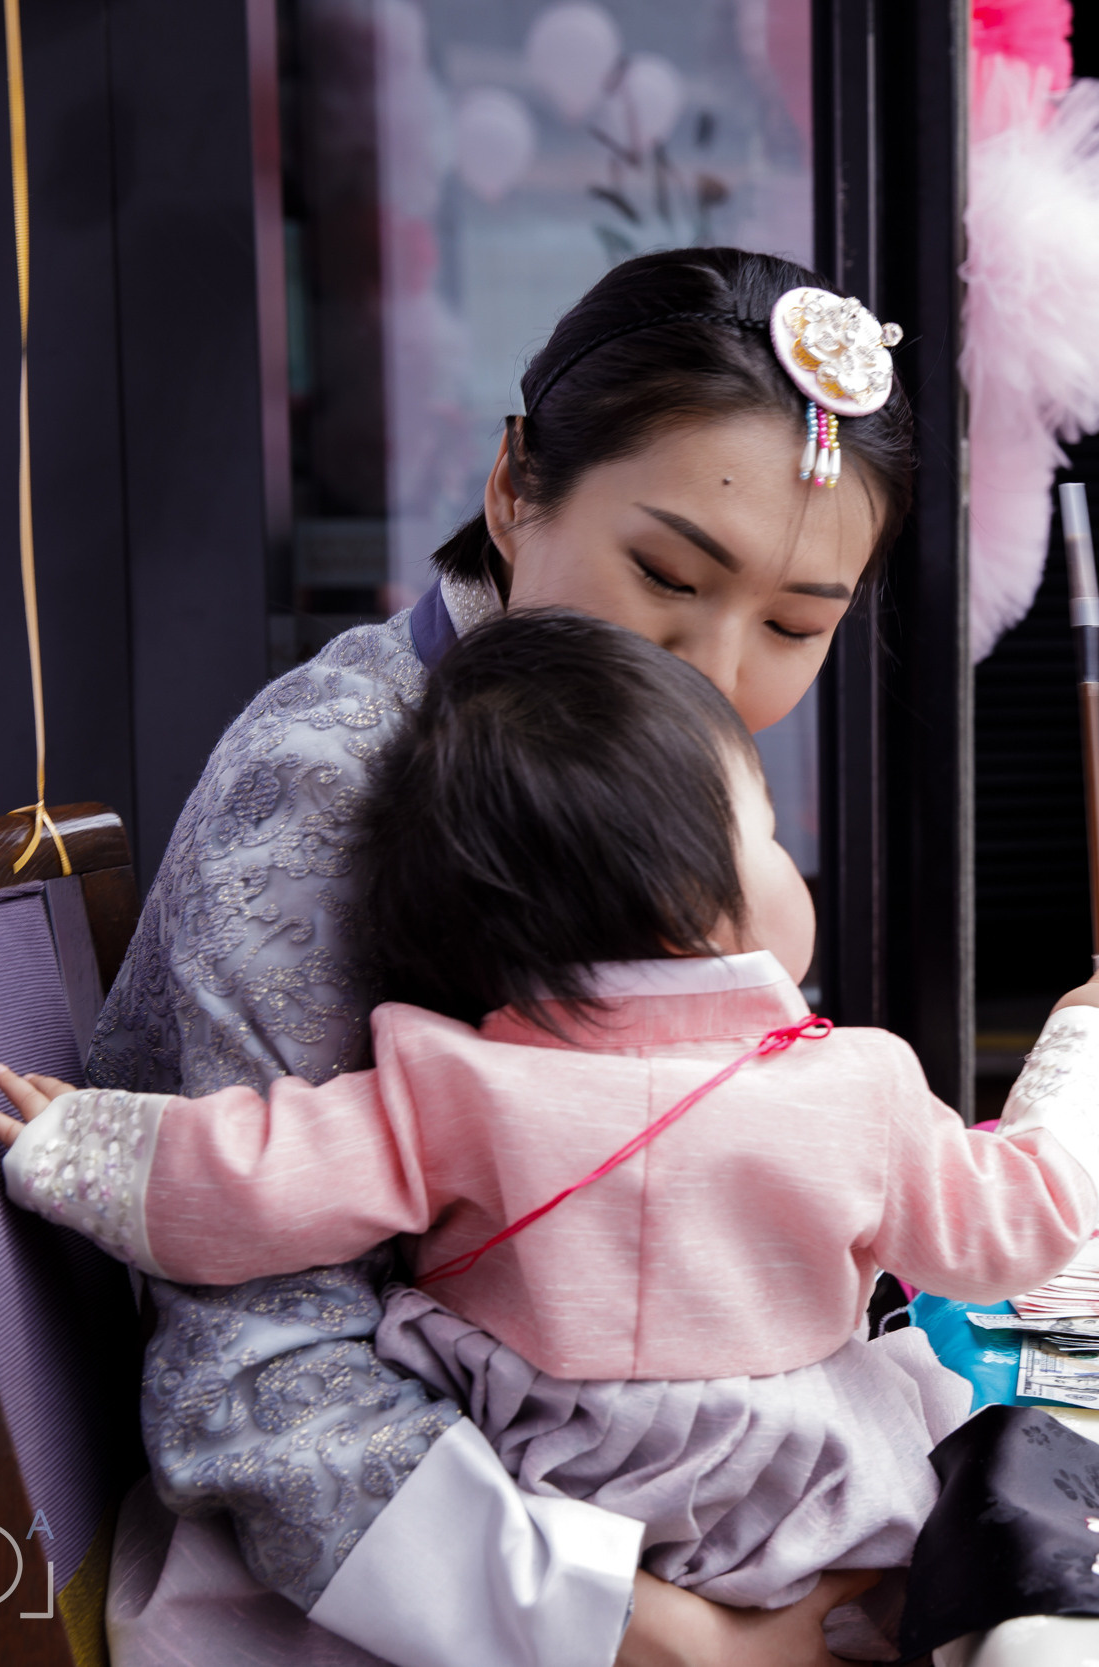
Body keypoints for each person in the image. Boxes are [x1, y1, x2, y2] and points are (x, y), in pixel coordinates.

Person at [0, 611, 1099, 1662]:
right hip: (797, 1507)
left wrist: (83, 1146)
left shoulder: (449, 1080)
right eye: (761, 830)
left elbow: (249, 1178)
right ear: (693, 892)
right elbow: (1019, 1220)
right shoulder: (857, 1087)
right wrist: (1092, 1045)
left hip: (536, 1493)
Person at [81, 247, 913, 1667]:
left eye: (793, 626)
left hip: (637, 1490)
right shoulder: (330, 787)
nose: (713, 672)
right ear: (516, 488)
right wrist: (686, 1639)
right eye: (665, 573)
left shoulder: (638, 771)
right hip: (403, 1582)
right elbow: (264, 1369)